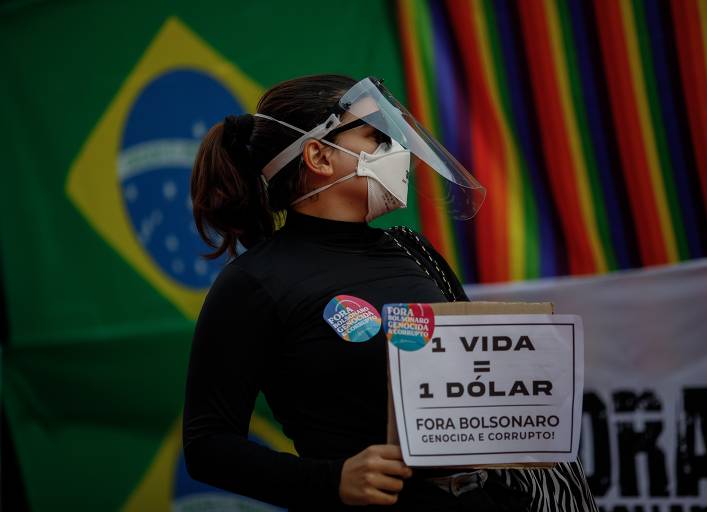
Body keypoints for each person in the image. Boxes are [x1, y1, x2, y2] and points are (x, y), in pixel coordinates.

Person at [182, 74, 597, 511]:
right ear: (318, 155)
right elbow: (208, 446)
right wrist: (331, 480)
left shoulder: (413, 248)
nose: (399, 151)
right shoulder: (253, 281)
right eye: (377, 135)